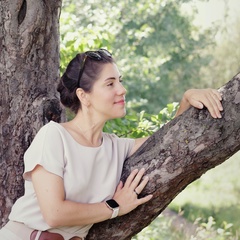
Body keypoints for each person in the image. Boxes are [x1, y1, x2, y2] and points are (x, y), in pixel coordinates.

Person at [0, 49, 223, 240]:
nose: (122, 90)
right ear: (83, 96)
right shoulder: (54, 136)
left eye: (120, 81)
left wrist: (188, 98)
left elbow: (168, 141)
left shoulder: (115, 147)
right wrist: (115, 206)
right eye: (110, 83)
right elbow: (54, 213)